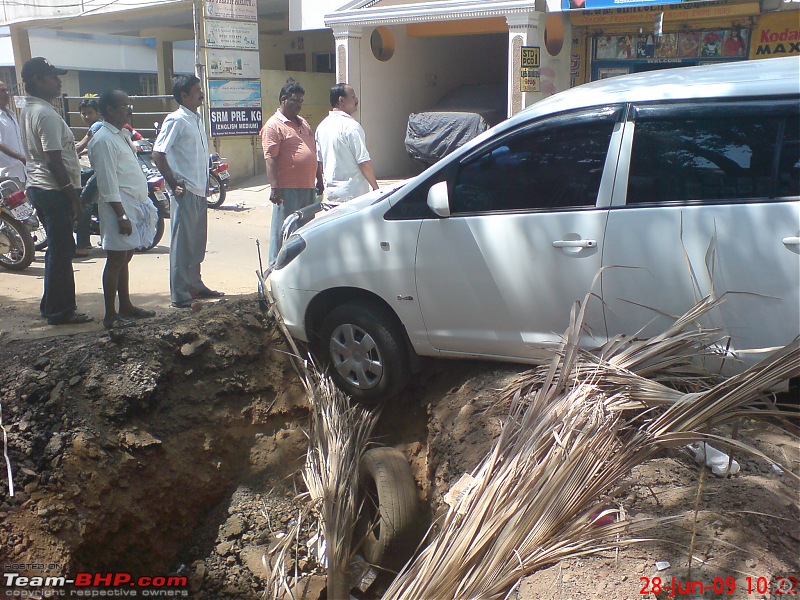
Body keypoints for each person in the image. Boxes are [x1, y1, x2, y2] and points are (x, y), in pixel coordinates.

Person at [20, 57, 93, 325]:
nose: (59, 81)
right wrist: (73, 199)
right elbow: (54, 160)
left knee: (57, 250)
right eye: (53, 77)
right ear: (38, 80)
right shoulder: (44, 113)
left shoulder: (31, 109)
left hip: (42, 187)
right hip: (52, 189)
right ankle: (60, 311)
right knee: (62, 251)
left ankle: (52, 304)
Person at [88, 90, 158, 329]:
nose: (127, 111)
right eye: (122, 107)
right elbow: (107, 183)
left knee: (125, 256)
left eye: (129, 106)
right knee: (116, 258)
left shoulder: (121, 135)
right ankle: (110, 315)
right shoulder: (103, 139)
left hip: (132, 201)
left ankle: (125, 305)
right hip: (118, 205)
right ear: (108, 110)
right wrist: (121, 215)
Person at [153, 74, 223, 308]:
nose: (201, 94)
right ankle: (180, 293)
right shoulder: (176, 120)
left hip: (200, 189)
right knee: (183, 244)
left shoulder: (196, 118)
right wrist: (174, 184)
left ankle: (195, 284)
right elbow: (158, 153)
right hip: (185, 190)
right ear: (184, 95)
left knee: (196, 242)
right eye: (196, 90)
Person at [261, 81, 323, 264]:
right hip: (287, 189)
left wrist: (319, 179)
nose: (299, 104)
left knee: (305, 232)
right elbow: (270, 158)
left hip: (308, 187)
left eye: (301, 100)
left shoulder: (303, 123)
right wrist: (274, 188)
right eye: (295, 100)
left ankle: (299, 268)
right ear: (283, 100)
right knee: (283, 231)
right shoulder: (273, 126)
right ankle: (276, 268)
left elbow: (313, 151)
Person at [315, 83, 378, 205]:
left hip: (332, 195)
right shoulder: (351, 126)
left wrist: (321, 184)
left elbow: (319, 161)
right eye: (353, 96)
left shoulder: (322, 127)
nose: (356, 100)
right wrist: (375, 188)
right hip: (353, 196)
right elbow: (363, 162)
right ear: (341, 100)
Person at [75, 97, 104, 257]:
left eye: (90, 113)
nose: (86, 116)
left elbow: (80, 146)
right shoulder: (99, 127)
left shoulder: (96, 125)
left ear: (97, 113)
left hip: (101, 171)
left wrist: (67, 154)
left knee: (82, 205)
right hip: (99, 169)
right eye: (83, 113)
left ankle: (82, 245)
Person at [0, 81, 26, 186]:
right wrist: (21, 157)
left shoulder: (11, 114)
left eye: (7, 90)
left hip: (22, 171)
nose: (6, 93)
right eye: (2, 91)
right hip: (8, 174)